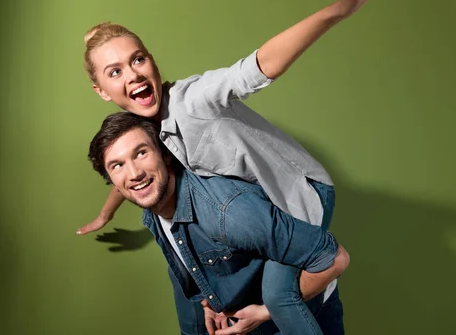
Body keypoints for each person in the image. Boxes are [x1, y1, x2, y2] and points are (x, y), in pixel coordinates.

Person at [78, 0, 387, 334]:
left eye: (138, 60)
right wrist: (107, 212)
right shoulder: (143, 129)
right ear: (102, 90)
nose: (133, 75)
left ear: (152, 60)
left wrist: (340, 9)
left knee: (278, 296)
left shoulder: (193, 99)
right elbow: (129, 167)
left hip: (299, 193)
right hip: (263, 209)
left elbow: (259, 66)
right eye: (115, 71)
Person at [88, 112, 349, 334]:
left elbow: (335, 258)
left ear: (166, 155)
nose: (134, 173)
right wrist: (210, 298)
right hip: (243, 315)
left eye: (141, 153)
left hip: (304, 313)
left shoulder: (229, 212)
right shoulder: (153, 209)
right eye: (118, 165)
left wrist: (265, 312)